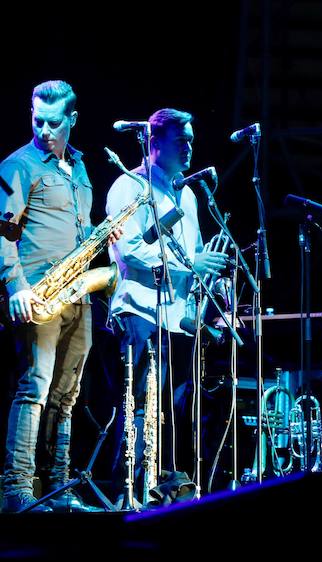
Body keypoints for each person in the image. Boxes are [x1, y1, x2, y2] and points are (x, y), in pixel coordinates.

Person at [0, 80, 116, 512]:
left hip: (78, 294)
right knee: (34, 389)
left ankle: (59, 486)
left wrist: (104, 238)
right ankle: (16, 490)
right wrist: (16, 286)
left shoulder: (82, 169)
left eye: (53, 122)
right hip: (38, 294)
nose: (44, 129)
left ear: (73, 120)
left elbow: (80, 234)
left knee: (68, 394)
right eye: (37, 120)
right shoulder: (18, 164)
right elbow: (2, 232)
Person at [106, 108, 227, 502]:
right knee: (140, 403)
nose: (191, 147)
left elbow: (190, 257)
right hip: (140, 311)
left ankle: (162, 490)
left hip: (177, 318)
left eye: (191, 139)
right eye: (182, 141)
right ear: (155, 144)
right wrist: (190, 265)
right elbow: (129, 251)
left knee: (173, 409)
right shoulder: (129, 187)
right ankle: (129, 489)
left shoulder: (187, 194)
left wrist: (209, 276)